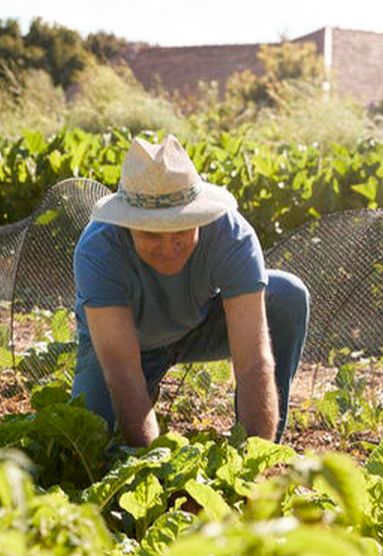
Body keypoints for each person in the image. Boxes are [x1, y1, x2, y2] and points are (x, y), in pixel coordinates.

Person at [71, 135, 309, 447]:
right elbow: (121, 370)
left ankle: (257, 446)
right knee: (89, 442)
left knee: (288, 295)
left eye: (182, 230)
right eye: (151, 235)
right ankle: (146, 388)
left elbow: (254, 361)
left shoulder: (231, 235)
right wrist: (151, 465)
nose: (168, 248)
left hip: (197, 325)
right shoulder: (99, 249)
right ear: (128, 226)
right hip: (127, 347)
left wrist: (253, 463)